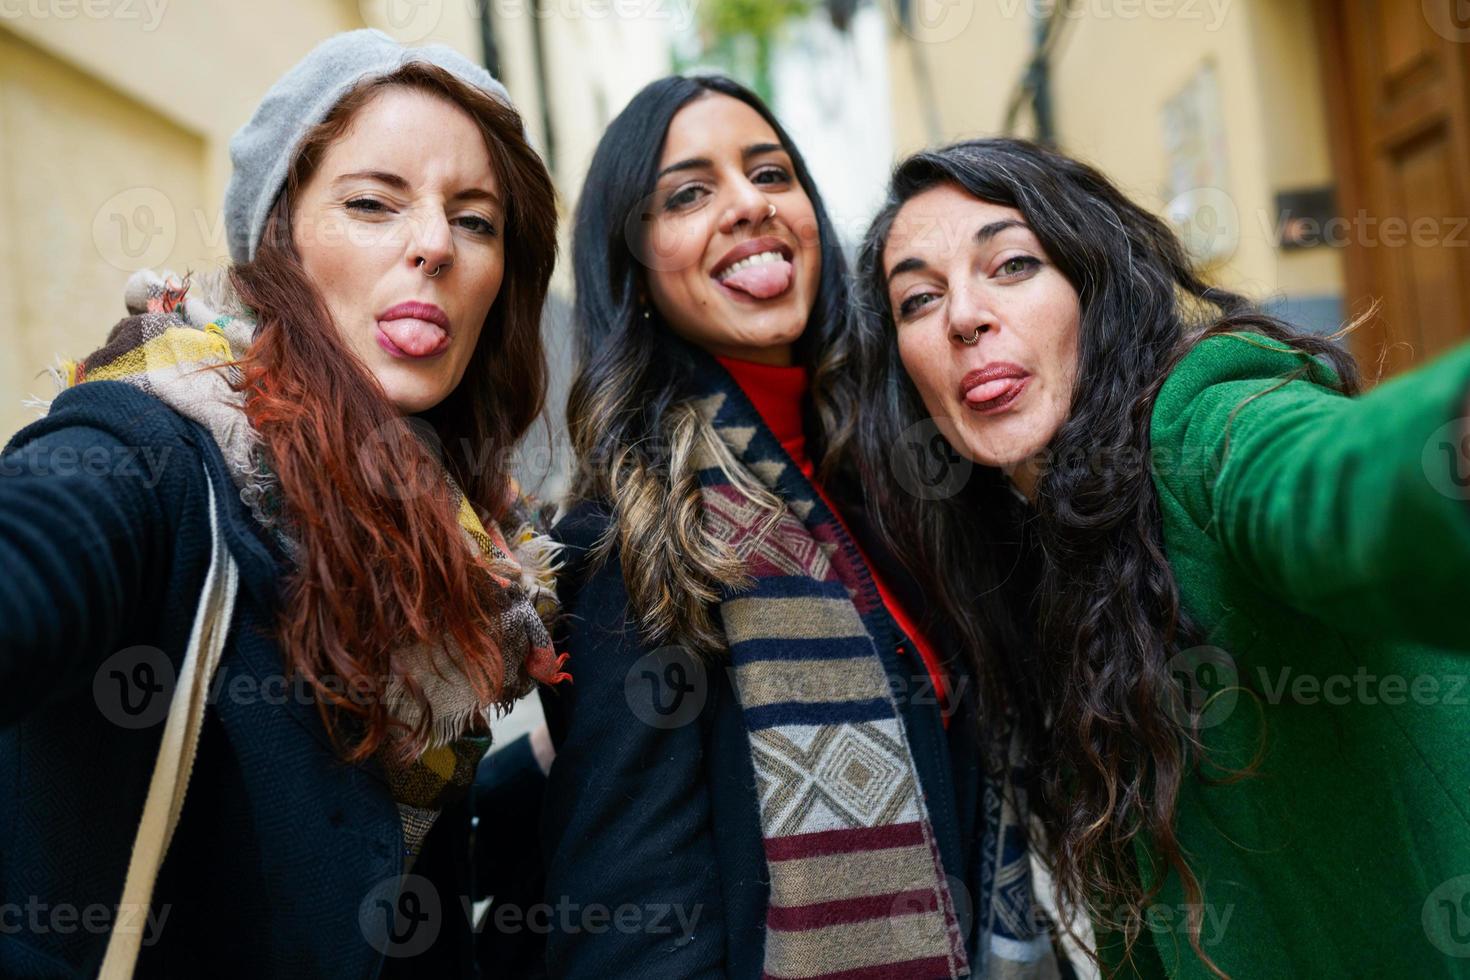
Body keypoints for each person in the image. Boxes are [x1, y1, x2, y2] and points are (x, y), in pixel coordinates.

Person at [0, 29, 564, 978]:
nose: (433, 244)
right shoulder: (155, 451)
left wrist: (558, 764)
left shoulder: (463, 544)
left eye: (475, 220)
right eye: (373, 203)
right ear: (281, 240)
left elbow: (376, 868)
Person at [852, 137, 1470, 978]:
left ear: (1092, 285)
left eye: (1012, 266)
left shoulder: (1200, 421)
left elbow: (1329, 483)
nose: (963, 315)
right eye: (919, 300)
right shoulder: (1014, 570)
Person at [537, 76, 1063, 980]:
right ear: (635, 265)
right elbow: (634, 923)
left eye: (771, 173)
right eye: (689, 193)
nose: (749, 204)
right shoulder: (638, 530)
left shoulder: (895, 472)